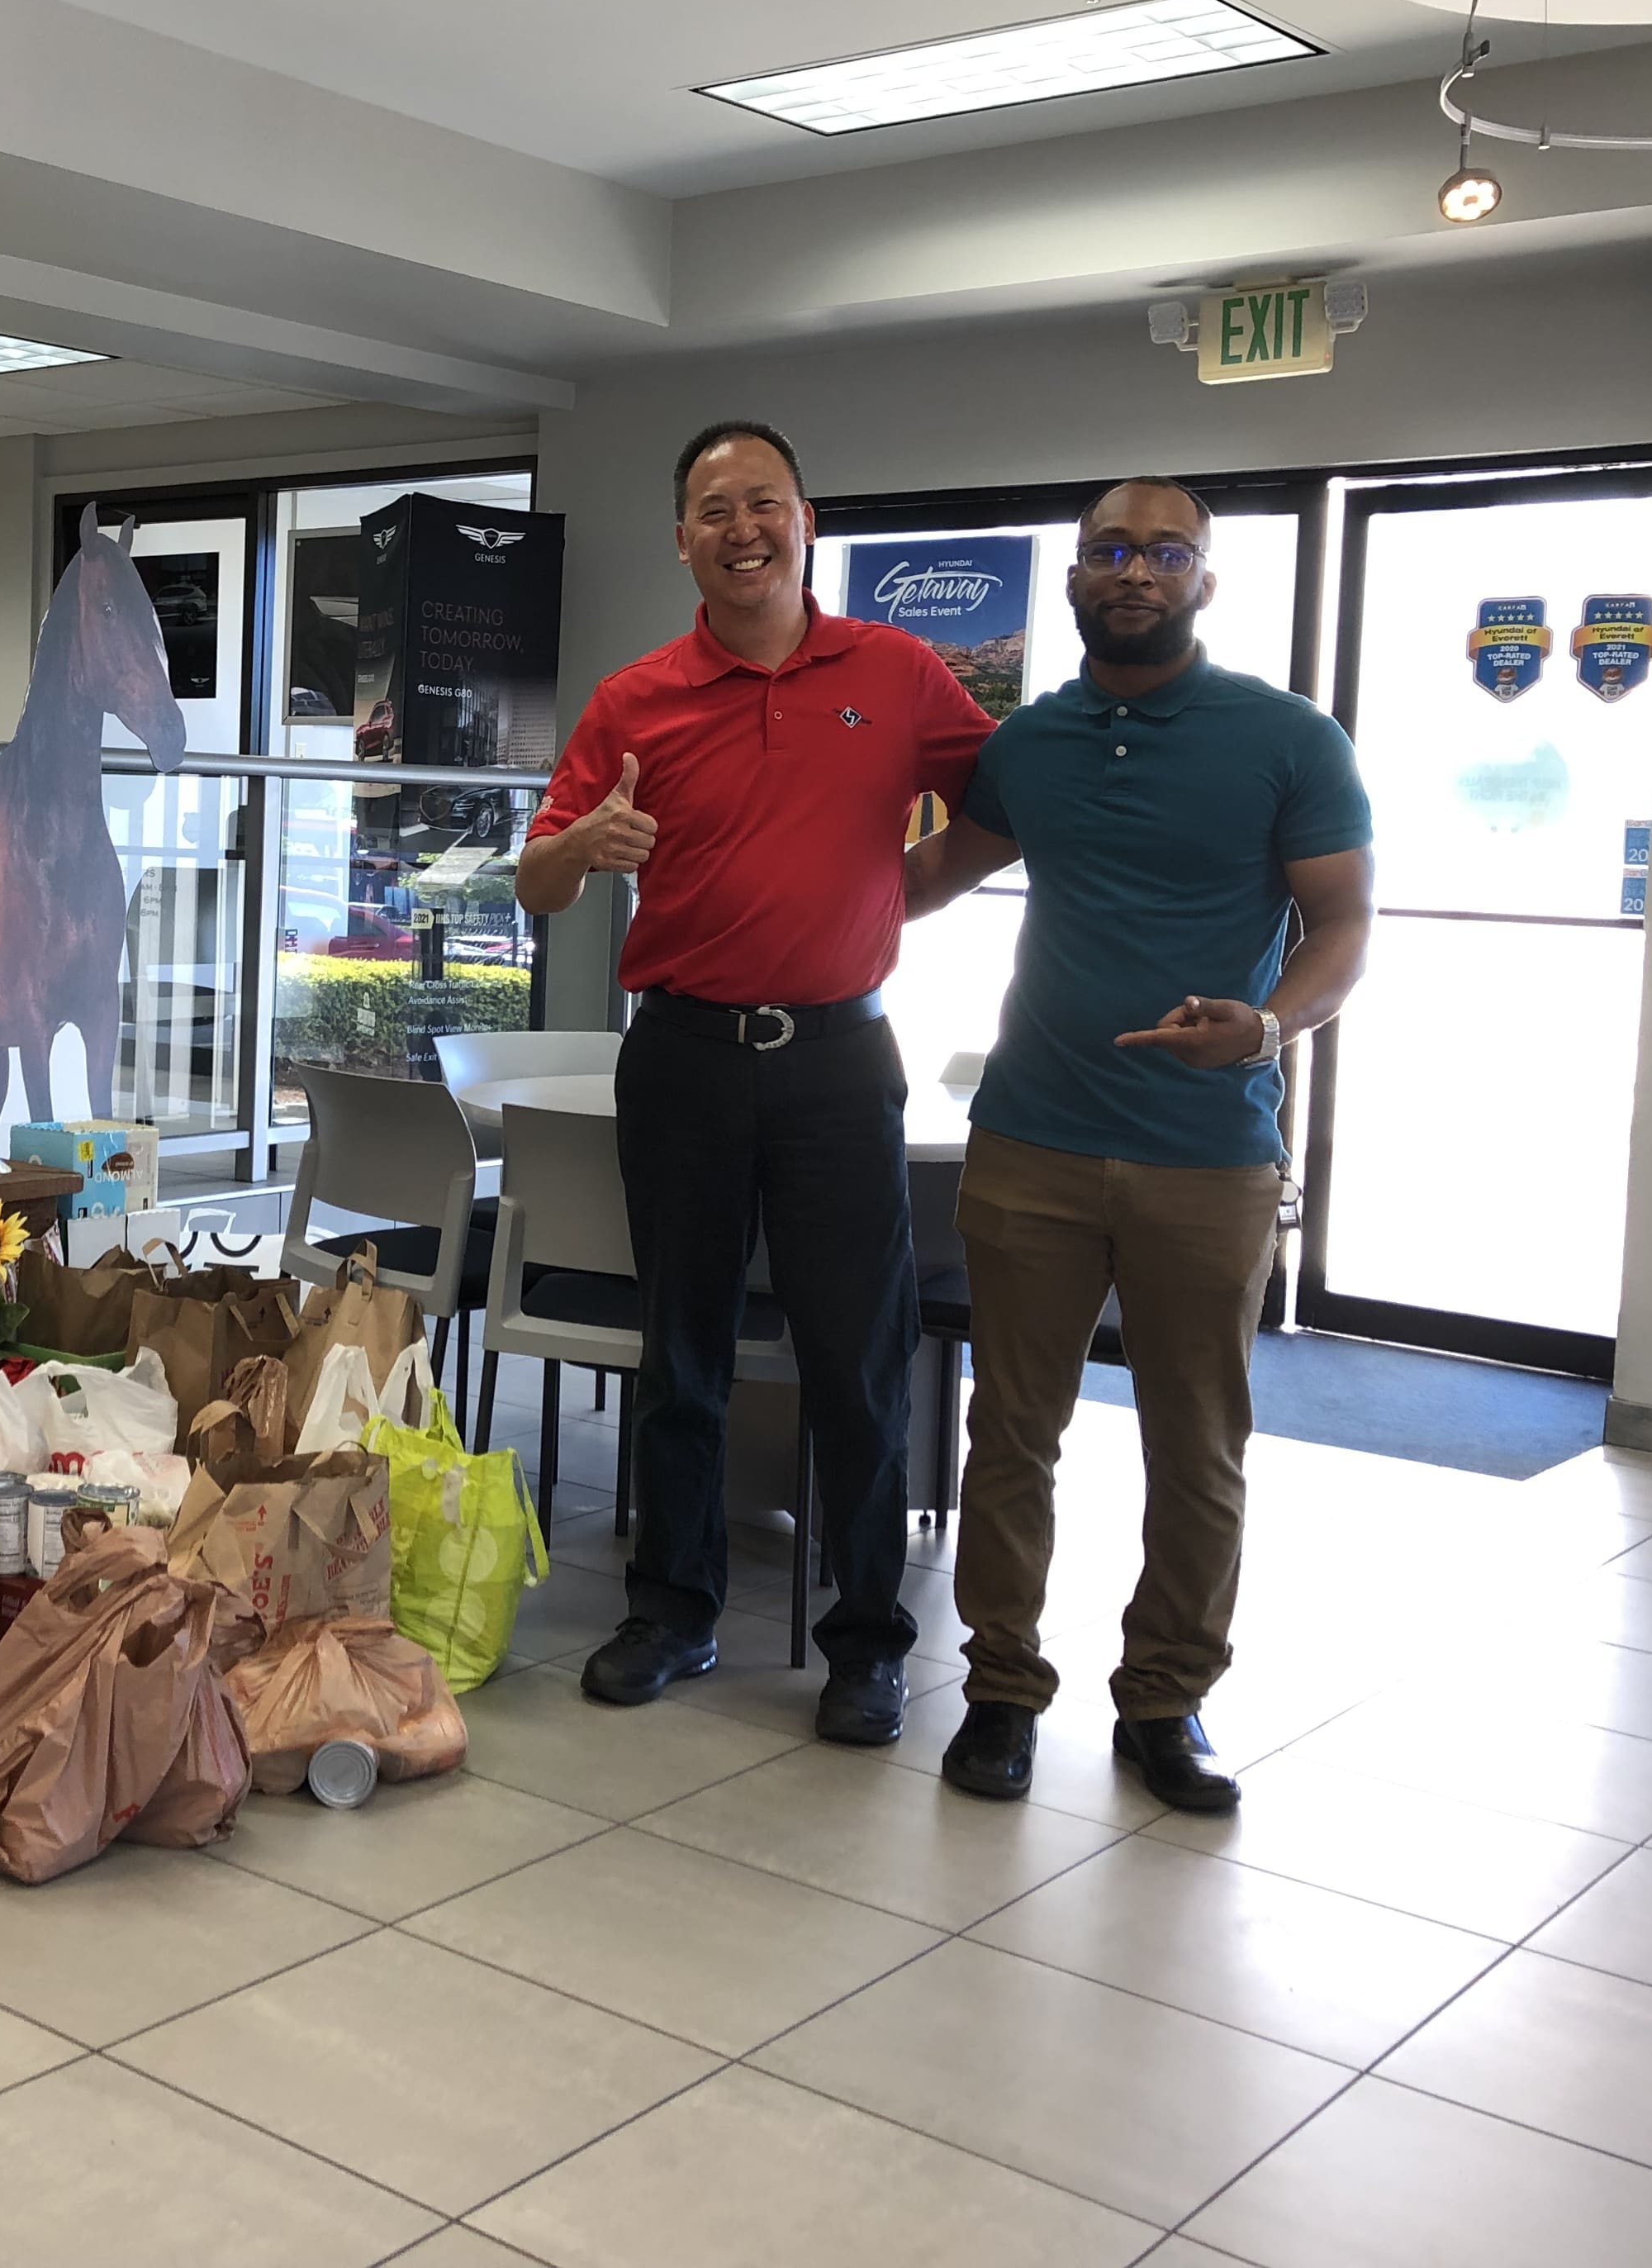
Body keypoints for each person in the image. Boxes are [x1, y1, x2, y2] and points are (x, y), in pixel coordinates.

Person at [520, 421, 995, 1741]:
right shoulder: (635, 698)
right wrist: (587, 847)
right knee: (681, 1349)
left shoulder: (895, 673)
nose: (744, 528)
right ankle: (673, 1612)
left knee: (860, 1354)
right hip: (680, 1055)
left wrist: (907, 893)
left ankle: (865, 1644)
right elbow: (536, 875)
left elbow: (997, 803)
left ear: (807, 521)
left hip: (843, 1059)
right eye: (714, 509)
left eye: (765, 504)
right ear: (681, 538)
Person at [903, 477, 1372, 1812]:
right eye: (1111, 549)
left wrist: (1268, 1027)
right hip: (1031, 1138)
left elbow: (1342, 929)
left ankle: (1166, 1701)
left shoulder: (1288, 740)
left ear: (1205, 582)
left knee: (1199, 1439)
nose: (1137, 572)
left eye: (1168, 554)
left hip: (1208, 1153)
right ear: (1074, 577)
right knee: (1013, 1432)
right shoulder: (1030, 745)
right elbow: (928, 881)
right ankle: (1000, 1689)